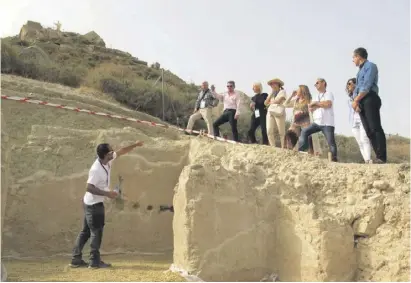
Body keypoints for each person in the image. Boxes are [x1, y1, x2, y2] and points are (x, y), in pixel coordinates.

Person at [70, 141, 144, 269]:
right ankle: (94, 261)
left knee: (86, 232)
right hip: (94, 204)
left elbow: (121, 151)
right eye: (110, 151)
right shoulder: (96, 169)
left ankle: (76, 259)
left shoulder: (107, 160)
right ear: (105, 155)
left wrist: (135, 145)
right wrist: (107, 194)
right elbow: (89, 187)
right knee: (96, 232)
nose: (113, 152)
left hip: (91, 202)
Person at [351, 47, 386, 163]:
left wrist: (356, 100)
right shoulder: (359, 71)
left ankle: (382, 157)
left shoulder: (370, 66)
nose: (353, 60)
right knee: (369, 131)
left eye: (353, 57)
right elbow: (357, 89)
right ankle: (377, 157)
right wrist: (355, 102)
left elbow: (366, 86)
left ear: (358, 56)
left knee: (375, 128)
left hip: (370, 98)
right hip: (361, 101)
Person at [298, 78, 338, 162]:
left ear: (323, 83)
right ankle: (301, 151)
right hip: (317, 122)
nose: (316, 85)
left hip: (327, 123)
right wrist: (319, 104)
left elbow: (328, 104)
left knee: (331, 143)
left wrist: (316, 104)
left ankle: (334, 159)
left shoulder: (329, 93)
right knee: (304, 131)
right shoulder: (316, 96)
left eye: (317, 83)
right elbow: (311, 108)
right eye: (315, 84)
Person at [346, 78, 372, 163]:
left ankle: (368, 159)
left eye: (350, 83)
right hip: (354, 121)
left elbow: (358, 109)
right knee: (359, 142)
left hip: (362, 119)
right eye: (347, 84)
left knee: (364, 139)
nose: (348, 85)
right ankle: (366, 160)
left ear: (356, 84)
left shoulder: (361, 95)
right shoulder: (350, 97)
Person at [283, 85, 314, 151]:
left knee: (307, 137)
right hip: (296, 122)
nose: (297, 91)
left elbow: (312, 109)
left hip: (305, 122)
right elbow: (285, 104)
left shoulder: (308, 100)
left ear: (302, 91)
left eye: (298, 90)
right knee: (289, 134)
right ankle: (289, 148)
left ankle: (310, 151)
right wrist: (291, 95)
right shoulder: (296, 100)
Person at [264, 78, 287, 148]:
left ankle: (284, 146)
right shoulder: (271, 93)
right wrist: (271, 94)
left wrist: (271, 102)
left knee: (281, 131)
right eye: (271, 84)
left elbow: (279, 101)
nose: (272, 85)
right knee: (269, 130)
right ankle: (272, 146)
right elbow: (265, 103)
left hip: (279, 112)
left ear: (278, 84)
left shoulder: (282, 91)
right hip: (270, 112)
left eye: (274, 83)